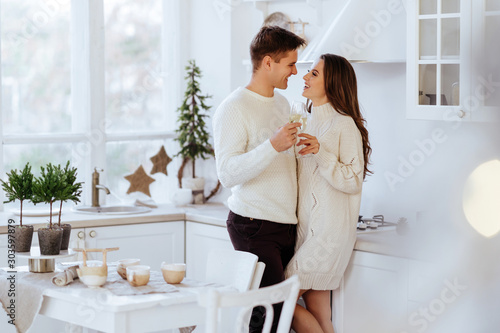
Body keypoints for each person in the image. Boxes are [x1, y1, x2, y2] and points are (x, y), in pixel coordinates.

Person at [212, 26, 306, 332]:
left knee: (275, 313)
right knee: (268, 314)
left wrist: (302, 150)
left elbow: (281, 165)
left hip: (285, 225)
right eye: (290, 63)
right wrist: (272, 146)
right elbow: (227, 174)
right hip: (253, 224)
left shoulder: (282, 105)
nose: (295, 71)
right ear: (268, 63)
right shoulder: (233, 108)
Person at [284, 53, 372, 333]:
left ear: (332, 82)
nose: (305, 77)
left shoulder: (344, 125)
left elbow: (352, 181)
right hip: (307, 231)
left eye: (314, 74)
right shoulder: (306, 123)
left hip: (329, 235)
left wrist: (322, 153)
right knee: (321, 316)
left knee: (280, 300)